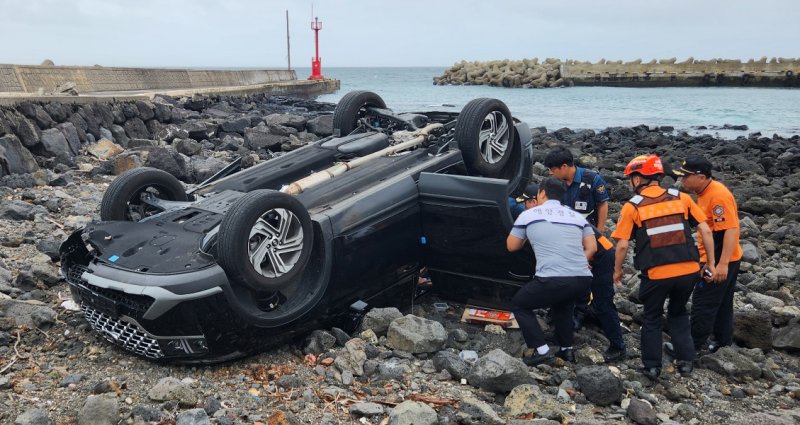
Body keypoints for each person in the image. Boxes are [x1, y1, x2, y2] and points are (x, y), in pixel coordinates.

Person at [611, 154, 716, 380]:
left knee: (652, 317)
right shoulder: (682, 198)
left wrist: (617, 271)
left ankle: (652, 366)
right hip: (688, 271)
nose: (630, 182)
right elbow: (705, 230)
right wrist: (710, 263)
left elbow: (621, 245)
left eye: (631, 178)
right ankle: (686, 362)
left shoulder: (633, 206)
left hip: (657, 274)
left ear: (639, 179)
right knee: (679, 313)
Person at [544, 147, 625, 362]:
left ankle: (618, 346)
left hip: (597, 247)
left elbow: (602, 205)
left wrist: (594, 242)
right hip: (576, 244)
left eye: (553, 169)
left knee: (603, 300)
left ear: (564, 167)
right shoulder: (557, 187)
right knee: (566, 290)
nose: (551, 174)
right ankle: (568, 327)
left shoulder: (591, 180)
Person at [507, 177, 596, 366]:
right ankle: (567, 350)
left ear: (541, 193)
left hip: (553, 278)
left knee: (520, 305)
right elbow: (592, 247)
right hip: (582, 279)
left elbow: (511, 246)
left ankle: (542, 350)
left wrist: (527, 236)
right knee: (562, 306)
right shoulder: (576, 216)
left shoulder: (529, 214)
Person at [673, 155, 742, 354]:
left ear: (701, 177)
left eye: (685, 177)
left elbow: (730, 229)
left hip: (721, 258)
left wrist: (721, 264)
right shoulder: (704, 192)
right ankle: (723, 340)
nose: (682, 181)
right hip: (725, 258)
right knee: (722, 302)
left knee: (703, 301)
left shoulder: (717, 195)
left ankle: (692, 346)